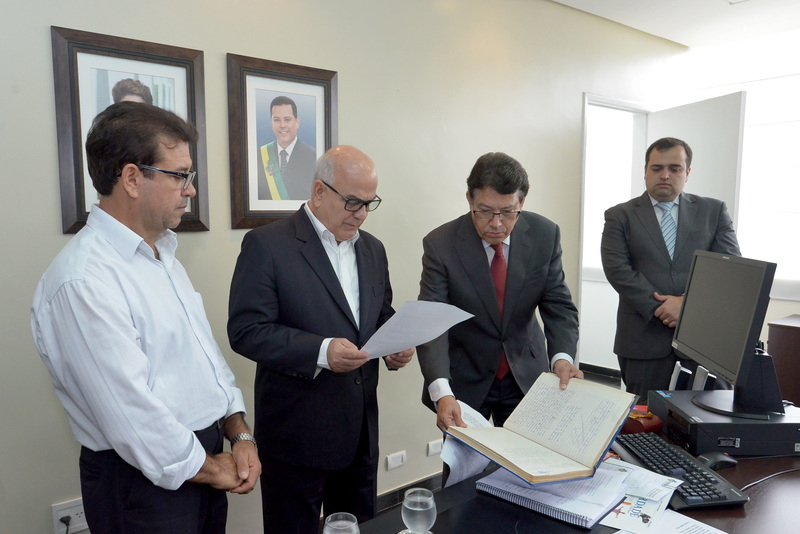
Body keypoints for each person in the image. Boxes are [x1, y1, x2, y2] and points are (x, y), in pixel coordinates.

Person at [31, 102, 260, 534]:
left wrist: (239, 432)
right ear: (132, 179)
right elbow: (133, 416)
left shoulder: (162, 253)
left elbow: (203, 358)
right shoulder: (83, 281)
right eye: (180, 175)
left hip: (199, 461)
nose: (191, 190)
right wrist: (214, 469)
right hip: (144, 485)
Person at [228, 145, 414, 534]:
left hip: (360, 435)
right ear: (318, 191)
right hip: (297, 438)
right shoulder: (267, 245)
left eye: (369, 203)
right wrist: (321, 351)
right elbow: (247, 331)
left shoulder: (373, 249)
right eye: (352, 202)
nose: (361, 214)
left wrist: (395, 344)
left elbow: (379, 313)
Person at [417, 152, 582, 432]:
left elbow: (559, 307)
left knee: (529, 457)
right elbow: (432, 323)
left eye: (507, 212)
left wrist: (562, 358)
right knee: (466, 461)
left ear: (522, 203)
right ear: (469, 199)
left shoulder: (544, 235)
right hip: (465, 381)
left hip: (526, 376)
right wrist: (442, 393)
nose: (496, 223)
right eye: (484, 211)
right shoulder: (441, 245)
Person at [601, 137, 741, 399]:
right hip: (644, 343)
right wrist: (663, 308)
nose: (665, 175)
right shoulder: (619, 215)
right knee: (646, 420)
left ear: (687, 173)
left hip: (704, 345)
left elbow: (728, 271)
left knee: (708, 419)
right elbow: (618, 270)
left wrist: (687, 305)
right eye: (657, 168)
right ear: (645, 171)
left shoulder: (713, 211)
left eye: (675, 168)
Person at [257, 95, 317, 200]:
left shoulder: (314, 157)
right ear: (271, 123)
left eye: (287, 119)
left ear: (297, 122)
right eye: (277, 120)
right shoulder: (259, 156)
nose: (282, 125)